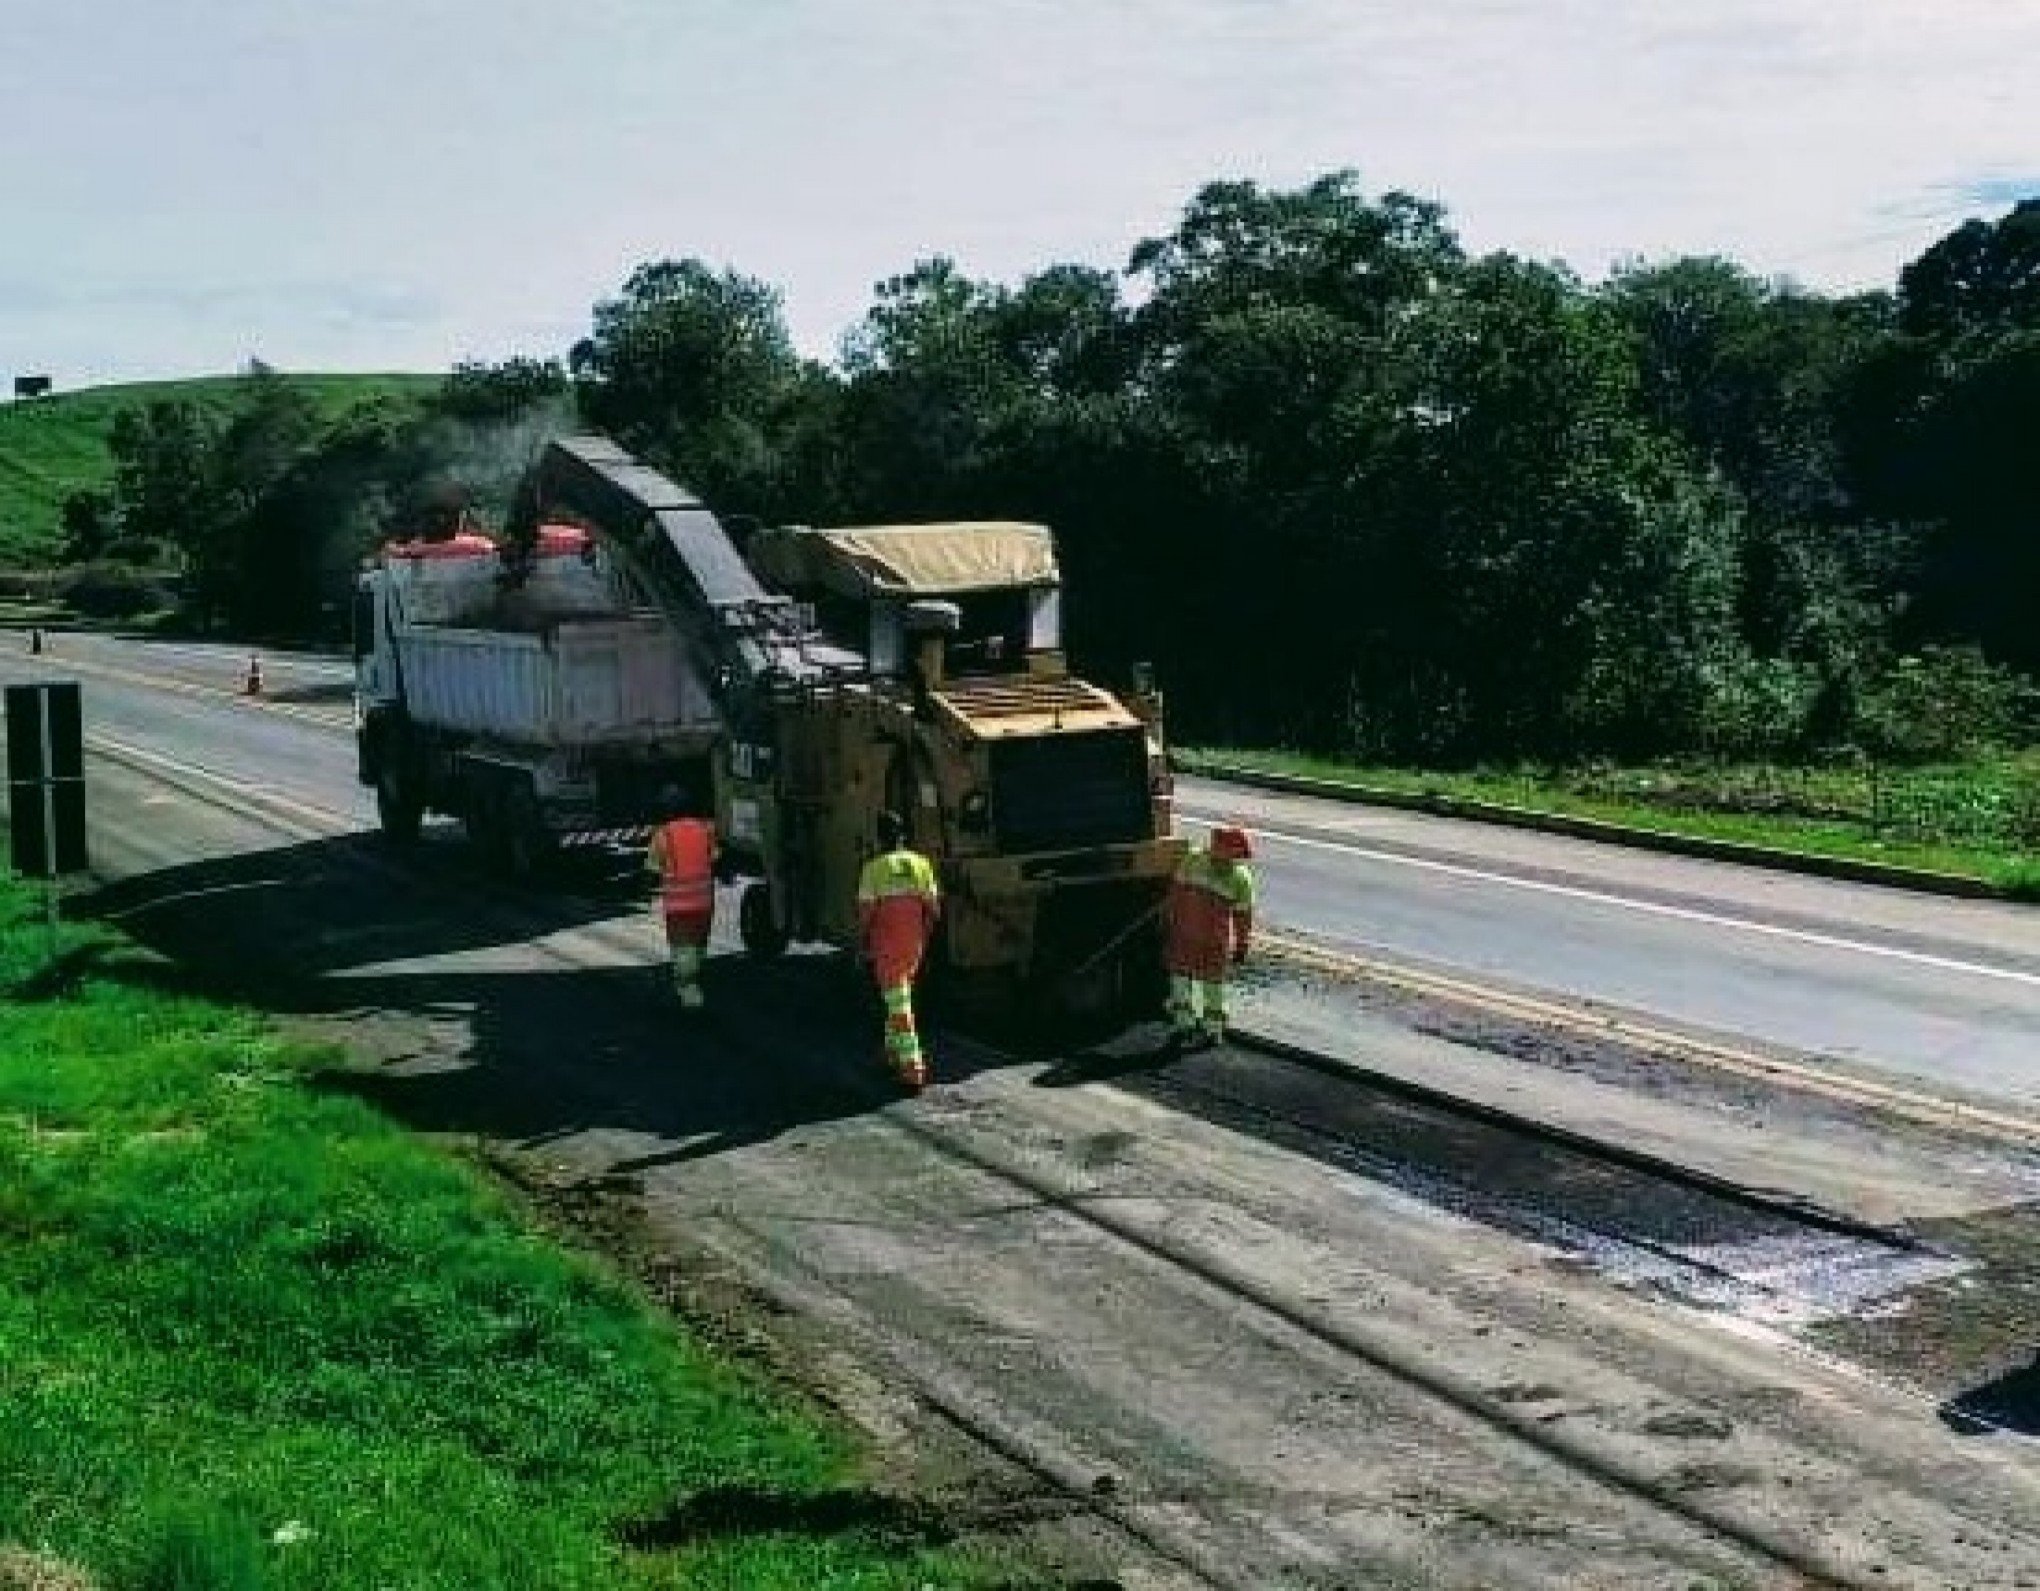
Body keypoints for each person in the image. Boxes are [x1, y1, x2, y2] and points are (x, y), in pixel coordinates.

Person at [856, 810, 941, 1089]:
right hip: (913, 944)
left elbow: (866, 914)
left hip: (887, 945)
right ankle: (891, 1053)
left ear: (880, 838)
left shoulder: (873, 869)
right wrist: (923, 937)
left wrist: (862, 942)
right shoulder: (921, 864)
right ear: (904, 835)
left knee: (900, 1004)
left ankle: (912, 1067)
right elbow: (933, 909)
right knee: (899, 997)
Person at [1164, 825, 1256, 1045]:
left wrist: (1242, 944)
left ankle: (1211, 1029)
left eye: (1235, 858)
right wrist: (1168, 921)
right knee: (1182, 983)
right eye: (1231, 856)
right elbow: (1175, 894)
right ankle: (1186, 1024)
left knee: (1211, 986)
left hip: (1204, 941)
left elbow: (1243, 917)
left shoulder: (1238, 877)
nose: (1231, 861)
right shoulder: (1195, 861)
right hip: (1191, 937)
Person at [645, 784, 716, 1011]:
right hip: (704, 903)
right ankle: (694, 984)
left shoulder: (662, 835)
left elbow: (652, 869)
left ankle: (691, 1000)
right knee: (698, 946)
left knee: (683, 950)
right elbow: (714, 857)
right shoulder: (706, 830)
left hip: (678, 906)